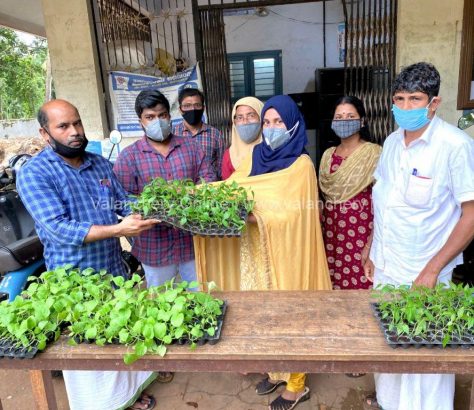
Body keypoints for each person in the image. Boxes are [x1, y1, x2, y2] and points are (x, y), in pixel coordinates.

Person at [17, 99, 159, 410]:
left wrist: (152, 209)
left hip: (114, 272)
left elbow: (122, 203)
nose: (74, 132)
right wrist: (119, 231)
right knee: (87, 351)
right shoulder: (34, 174)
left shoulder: (101, 165)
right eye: (63, 126)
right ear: (45, 133)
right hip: (74, 282)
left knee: (122, 336)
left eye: (77, 123)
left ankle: (128, 396)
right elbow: (59, 229)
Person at [194, 95, 331, 410]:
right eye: (266, 122)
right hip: (258, 250)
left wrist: (254, 216)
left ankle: (297, 384)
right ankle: (274, 369)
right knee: (264, 313)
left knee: (290, 315)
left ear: (293, 123)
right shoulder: (257, 155)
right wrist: (194, 197)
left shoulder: (302, 164)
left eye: (277, 122)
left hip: (290, 252)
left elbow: (294, 213)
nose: (270, 128)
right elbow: (231, 188)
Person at [364, 62, 474, 410]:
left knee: (425, 363)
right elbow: (383, 201)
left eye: (416, 98)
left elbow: (471, 215)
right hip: (387, 269)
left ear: (434, 103)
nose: (406, 107)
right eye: (400, 98)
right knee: (389, 351)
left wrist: (431, 269)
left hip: (426, 274)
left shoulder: (455, 145)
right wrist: (370, 248)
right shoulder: (392, 142)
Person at [113, 90, 216, 290]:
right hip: (155, 247)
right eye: (150, 117)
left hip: (192, 243)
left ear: (169, 116)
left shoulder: (192, 148)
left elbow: (209, 181)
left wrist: (187, 196)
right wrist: (153, 208)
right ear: (140, 121)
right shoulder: (129, 157)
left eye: (162, 115)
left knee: (202, 298)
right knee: (161, 304)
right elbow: (123, 199)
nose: (157, 121)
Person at [319, 96, 381, 290]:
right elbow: (323, 196)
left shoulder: (374, 153)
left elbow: (383, 200)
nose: (343, 121)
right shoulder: (328, 154)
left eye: (350, 116)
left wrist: (372, 243)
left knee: (360, 285)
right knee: (331, 286)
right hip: (330, 233)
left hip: (361, 234)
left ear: (362, 120)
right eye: (338, 117)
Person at [172, 88, 225, 179]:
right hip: (181, 189)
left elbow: (221, 166)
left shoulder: (215, 134)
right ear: (180, 109)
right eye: (187, 106)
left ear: (203, 108)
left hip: (209, 188)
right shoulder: (172, 134)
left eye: (197, 105)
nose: (192, 109)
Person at [221, 96, 264, 179]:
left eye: (251, 116)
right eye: (240, 117)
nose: (245, 122)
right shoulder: (229, 155)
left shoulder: (271, 151)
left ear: (261, 118)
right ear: (234, 122)